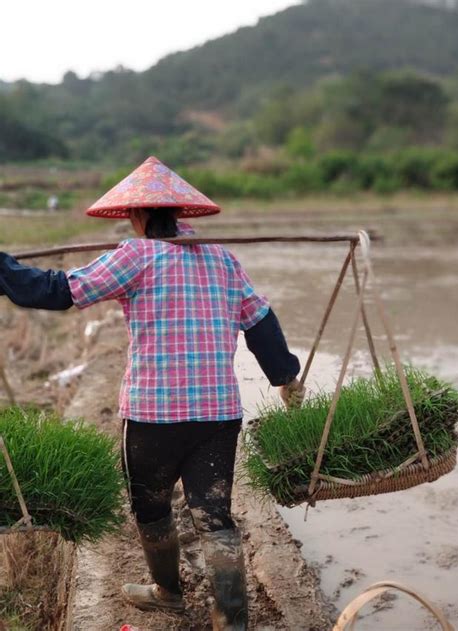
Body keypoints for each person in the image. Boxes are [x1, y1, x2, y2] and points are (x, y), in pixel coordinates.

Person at [0, 157, 305, 630]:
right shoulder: (224, 258)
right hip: (217, 415)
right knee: (214, 515)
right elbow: (260, 322)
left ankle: (168, 593)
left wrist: (3, 268)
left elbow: (59, 291)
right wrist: (285, 375)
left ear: (138, 215)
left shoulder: (134, 256)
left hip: (153, 417)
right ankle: (233, 620)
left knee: (152, 506)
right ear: (181, 214)